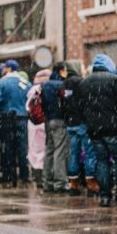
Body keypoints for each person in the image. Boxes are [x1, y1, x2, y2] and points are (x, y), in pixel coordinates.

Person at [76, 54, 117, 207]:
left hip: (95, 131)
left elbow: (80, 108)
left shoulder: (84, 83)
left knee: (102, 162)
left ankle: (104, 196)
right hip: (115, 130)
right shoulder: (115, 80)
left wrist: (90, 123)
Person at [0, 59, 31, 184]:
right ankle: (24, 174)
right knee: (22, 147)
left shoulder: (2, 82)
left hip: (7, 118)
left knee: (7, 147)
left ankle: (9, 174)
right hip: (23, 119)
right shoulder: (26, 83)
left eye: (5, 68)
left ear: (8, 69)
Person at [63, 59, 99, 196]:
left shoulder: (64, 84)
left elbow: (62, 104)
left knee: (74, 153)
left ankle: (73, 183)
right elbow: (87, 103)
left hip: (70, 124)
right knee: (89, 152)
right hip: (82, 123)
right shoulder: (82, 83)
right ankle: (91, 183)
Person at [41, 62, 70, 193]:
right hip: (60, 120)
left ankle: (47, 182)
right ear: (62, 71)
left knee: (49, 150)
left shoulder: (45, 85)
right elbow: (68, 101)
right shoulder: (62, 85)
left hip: (48, 120)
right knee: (60, 151)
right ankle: (60, 183)